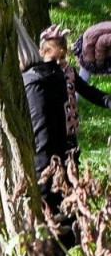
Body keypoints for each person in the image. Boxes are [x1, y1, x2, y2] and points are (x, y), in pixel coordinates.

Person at [41, 24, 111, 158]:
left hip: (68, 128)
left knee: (71, 160)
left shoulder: (68, 72)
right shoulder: (40, 77)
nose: (58, 63)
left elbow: (88, 91)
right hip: (49, 131)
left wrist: (107, 101)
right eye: (52, 59)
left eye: (61, 58)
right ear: (42, 54)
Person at [18, 21, 70, 186]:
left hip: (48, 170)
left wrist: (42, 180)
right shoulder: (45, 76)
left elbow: (42, 134)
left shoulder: (36, 83)